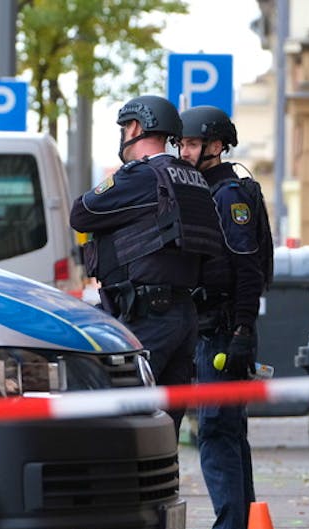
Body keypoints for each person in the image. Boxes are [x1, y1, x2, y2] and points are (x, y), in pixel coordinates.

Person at [70, 95, 223, 437]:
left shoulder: (140, 177)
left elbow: (81, 213)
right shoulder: (191, 178)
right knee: (166, 428)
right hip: (184, 315)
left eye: (125, 128)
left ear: (135, 127)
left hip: (147, 316)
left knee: (127, 425)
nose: (124, 135)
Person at [179, 105, 273, 529]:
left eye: (193, 143)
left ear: (216, 146)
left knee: (217, 434)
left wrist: (241, 331)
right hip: (214, 330)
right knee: (228, 434)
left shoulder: (227, 195)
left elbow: (247, 269)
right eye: (182, 143)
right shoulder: (206, 190)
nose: (185, 151)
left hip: (221, 332)